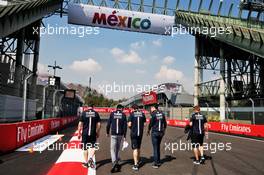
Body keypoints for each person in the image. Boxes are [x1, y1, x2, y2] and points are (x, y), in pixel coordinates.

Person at [106, 104, 127, 173]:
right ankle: (116, 161)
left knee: (112, 149)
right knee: (117, 148)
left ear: (117, 108)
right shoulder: (123, 115)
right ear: (121, 108)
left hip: (113, 134)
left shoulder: (112, 113)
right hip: (120, 134)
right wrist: (125, 136)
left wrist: (107, 132)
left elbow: (108, 124)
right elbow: (125, 127)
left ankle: (114, 162)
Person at [147, 104, 167, 169]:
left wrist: (148, 130)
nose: (150, 109)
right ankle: (158, 161)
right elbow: (165, 124)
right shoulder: (162, 113)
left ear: (153, 108)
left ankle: (156, 163)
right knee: (158, 147)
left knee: (155, 148)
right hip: (161, 132)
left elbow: (151, 123)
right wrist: (163, 130)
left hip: (155, 132)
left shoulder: (153, 114)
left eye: (151, 108)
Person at [128, 104, 146, 171]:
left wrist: (132, 128)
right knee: (138, 147)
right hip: (140, 133)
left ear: (133, 109)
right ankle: (138, 160)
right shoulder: (142, 114)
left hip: (134, 133)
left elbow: (129, 124)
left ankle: (135, 165)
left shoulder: (132, 114)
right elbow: (145, 124)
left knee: (135, 148)